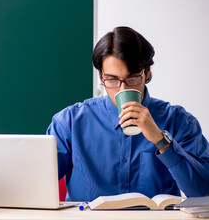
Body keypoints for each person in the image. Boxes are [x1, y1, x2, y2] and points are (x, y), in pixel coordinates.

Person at [47, 26, 209, 201]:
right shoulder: (70, 122)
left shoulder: (178, 120)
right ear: (101, 77)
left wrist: (160, 139)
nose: (122, 89)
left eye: (132, 78)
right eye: (112, 79)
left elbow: (202, 192)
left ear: (147, 73)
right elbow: (36, 182)